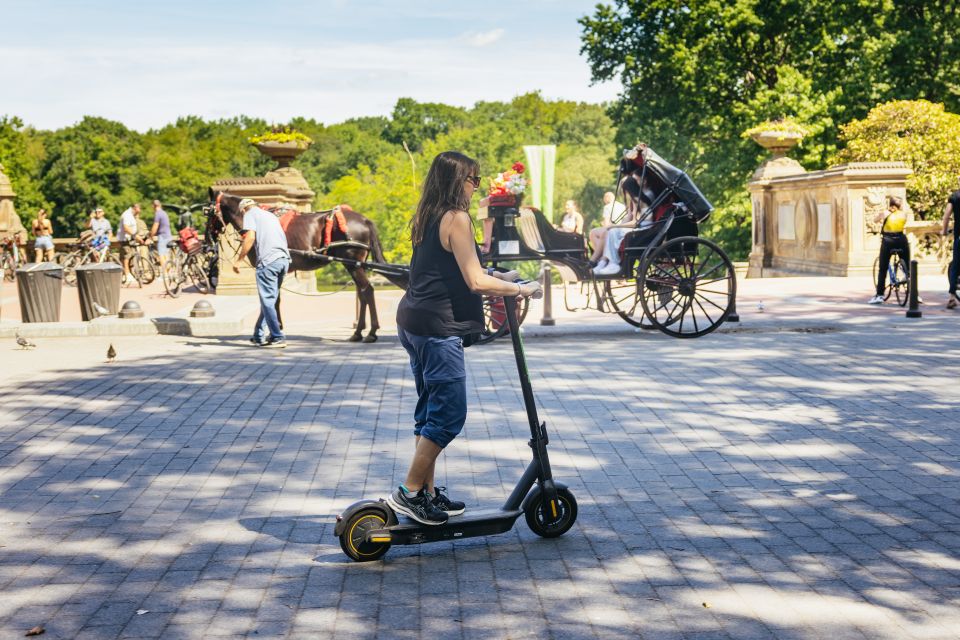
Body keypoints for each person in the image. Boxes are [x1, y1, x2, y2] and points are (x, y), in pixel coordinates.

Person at [388, 151, 542, 525]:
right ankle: (409, 493)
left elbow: (455, 268)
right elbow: (474, 281)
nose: (476, 186)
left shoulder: (427, 215)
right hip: (438, 330)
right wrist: (521, 291)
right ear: (458, 181)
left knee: (429, 413)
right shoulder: (456, 218)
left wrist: (503, 279)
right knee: (448, 414)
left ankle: (425, 494)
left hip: (413, 322)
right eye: (473, 179)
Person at [233, 198, 291, 348]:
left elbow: (250, 237)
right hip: (283, 260)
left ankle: (278, 337)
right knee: (269, 301)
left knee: (267, 301)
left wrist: (239, 260)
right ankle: (259, 335)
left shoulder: (250, 214)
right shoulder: (270, 215)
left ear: (244, 209)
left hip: (269, 262)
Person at [868, 196, 910, 305]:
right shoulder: (904, 214)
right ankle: (914, 293)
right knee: (908, 267)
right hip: (901, 240)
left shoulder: (886, 213)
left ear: (890, 204)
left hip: (888, 240)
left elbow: (875, 220)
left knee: (883, 268)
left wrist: (881, 216)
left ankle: (880, 295)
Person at [942, 177, 960, 309]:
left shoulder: (954, 197)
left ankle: (952, 298)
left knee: (955, 265)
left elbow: (947, 215)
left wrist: (944, 231)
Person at [116, 203, 140, 283]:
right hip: (124, 238)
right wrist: (135, 235)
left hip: (130, 239)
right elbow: (126, 228)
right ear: (135, 208)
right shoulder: (127, 215)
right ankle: (127, 274)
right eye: (139, 208)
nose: (140, 210)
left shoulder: (132, 215)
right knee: (126, 256)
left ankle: (127, 273)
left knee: (129, 256)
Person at [150, 199, 172, 270]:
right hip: (168, 236)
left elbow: (155, 226)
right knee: (166, 255)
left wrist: (150, 236)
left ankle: (164, 273)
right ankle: (168, 273)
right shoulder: (164, 213)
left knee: (161, 255)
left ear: (153, 206)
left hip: (163, 236)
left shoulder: (158, 213)